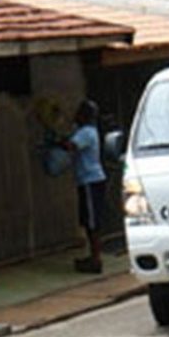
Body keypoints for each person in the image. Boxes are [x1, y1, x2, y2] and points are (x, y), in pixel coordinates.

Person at [64, 100, 107, 274]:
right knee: (89, 221)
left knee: (92, 222)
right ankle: (93, 256)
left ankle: (96, 259)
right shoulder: (88, 131)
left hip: (90, 180)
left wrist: (57, 141)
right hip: (90, 180)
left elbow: (71, 146)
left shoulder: (86, 132)